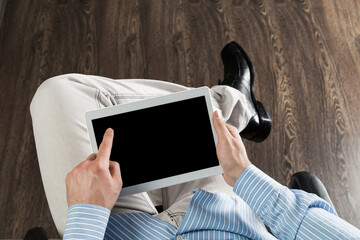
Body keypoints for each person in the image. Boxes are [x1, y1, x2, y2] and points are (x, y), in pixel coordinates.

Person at [29, 42, 360, 239]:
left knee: (57, 94)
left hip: (120, 231)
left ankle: (235, 105)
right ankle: (234, 105)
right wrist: (243, 173)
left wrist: (87, 214)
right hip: (227, 220)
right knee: (203, 129)